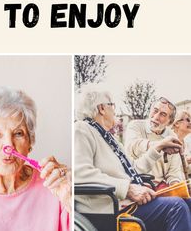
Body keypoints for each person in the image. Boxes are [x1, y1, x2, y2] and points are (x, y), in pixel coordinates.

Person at [75, 87, 191, 231]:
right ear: (102, 108)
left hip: (126, 203)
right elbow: (79, 173)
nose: (115, 110)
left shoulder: (109, 138)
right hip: (107, 209)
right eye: (112, 105)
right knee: (177, 207)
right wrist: (128, 188)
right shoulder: (81, 129)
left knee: (188, 202)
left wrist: (158, 150)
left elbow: (133, 168)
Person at [0, 86, 71, 231]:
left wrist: (70, 199)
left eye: (18, 133)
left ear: (30, 143)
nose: (9, 144)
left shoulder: (55, 187)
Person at [125, 97, 184, 186]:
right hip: (137, 186)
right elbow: (133, 146)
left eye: (163, 114)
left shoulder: (172, 137)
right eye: (155, 110)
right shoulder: (135, 126)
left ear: (170, 122)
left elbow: (174, 171)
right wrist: (161, 145)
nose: (156, 117)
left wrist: (176, 186)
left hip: (160, 188)